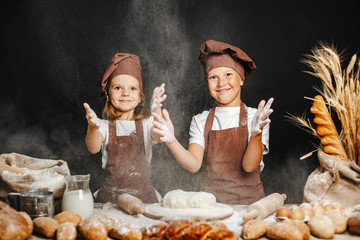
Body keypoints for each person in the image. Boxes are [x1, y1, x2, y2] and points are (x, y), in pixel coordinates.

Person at [152, 40, 274, 204]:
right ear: (207, 82)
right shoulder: (201, 120)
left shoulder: (257, 117)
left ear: (241, 79)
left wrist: (255, 134)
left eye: (228, 74)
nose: (221, 82)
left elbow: (249, 166)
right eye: (213, 77)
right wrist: (172, 141)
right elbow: (193, 165)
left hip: (250, 205)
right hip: (210, 206)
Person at [83, 53, 166, 204]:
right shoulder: (103, 125)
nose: (125, 93)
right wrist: (92, 127)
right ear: (108, 93)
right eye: (118, 88)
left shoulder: (147, 124)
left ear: (140, 96)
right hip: (111, 197)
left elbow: (159, 135)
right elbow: (93, 148)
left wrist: (156, 113)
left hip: (145, 196)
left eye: (133, 88)